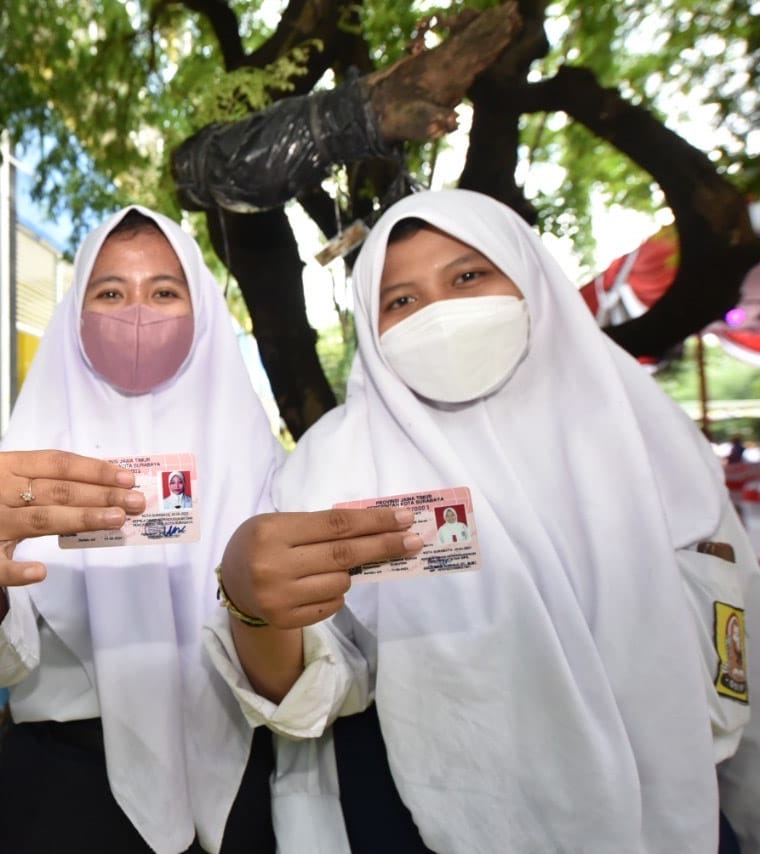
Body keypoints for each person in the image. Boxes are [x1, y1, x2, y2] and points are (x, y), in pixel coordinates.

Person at [213, 189, 760, 853]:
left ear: (529, 277)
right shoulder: (334, 469)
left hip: (678, 811)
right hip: (441, 821)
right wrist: (251, 606)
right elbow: (311, 692)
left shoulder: (650, 441)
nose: (439, 314)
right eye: (401, 301)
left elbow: (737, 640)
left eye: (469, 276)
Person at [0, 207, 419, 854]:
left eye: (164, 291)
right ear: (73, 315)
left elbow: (313, 689)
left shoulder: (267, 474)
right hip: (65, 795)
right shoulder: (22, 474)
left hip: (239, 780)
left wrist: (255, 604)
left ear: (205, 311)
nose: (137, 312)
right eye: (110, 292)